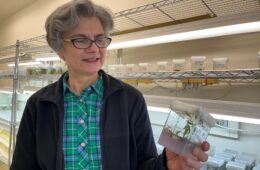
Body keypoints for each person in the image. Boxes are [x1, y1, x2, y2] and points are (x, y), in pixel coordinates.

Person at [10, 0, 210, 169]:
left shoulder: (130, 99)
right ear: (60, 50)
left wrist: (166, 164)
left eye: (100, 39)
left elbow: (144, 163)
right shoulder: (38, 105)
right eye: (81, 40)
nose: (94, 49)